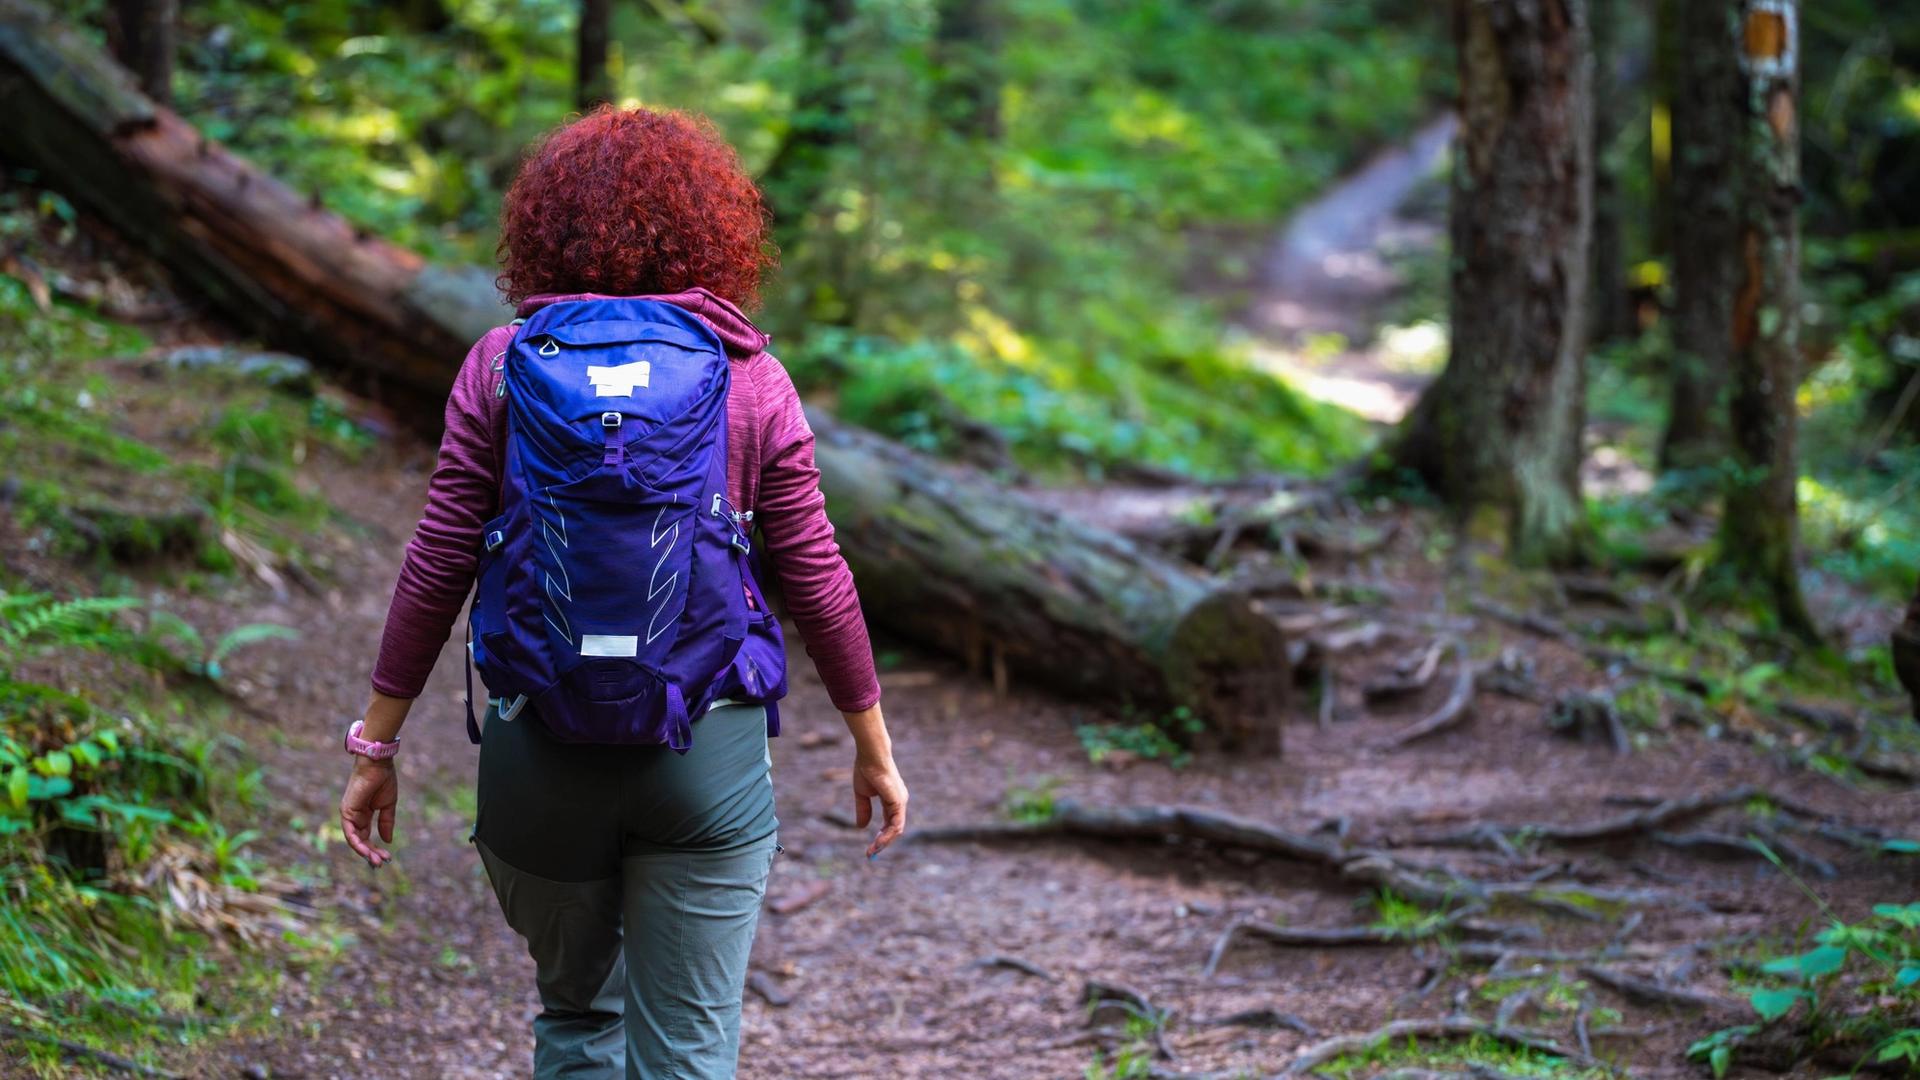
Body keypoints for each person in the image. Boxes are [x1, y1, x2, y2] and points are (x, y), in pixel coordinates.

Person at [336, 105, 908, 1079]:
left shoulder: (501, 369)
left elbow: (438, 559)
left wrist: (376, 745)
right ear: (714, 229)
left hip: (540, 756)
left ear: (546, 229)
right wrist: (872, 748)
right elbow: (815, 572)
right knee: (686, 1048)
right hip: (707, 750)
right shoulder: (751, 379)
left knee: (577, 1018)